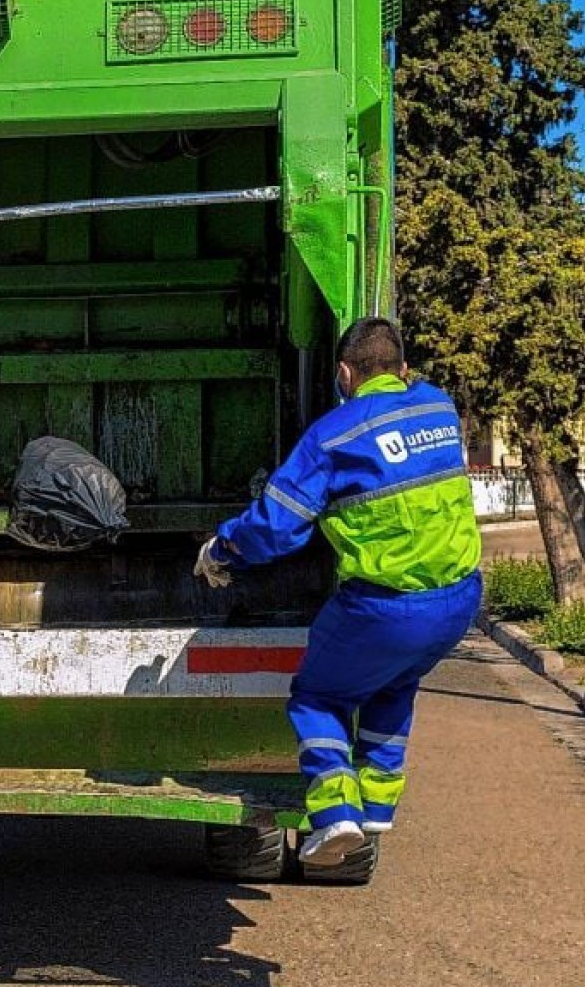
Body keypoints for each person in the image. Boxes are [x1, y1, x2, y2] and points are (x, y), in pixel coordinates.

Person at [194, 316, 481, 868]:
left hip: (385, 607)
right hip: (459, 601)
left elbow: (277, 527)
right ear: (404, 371)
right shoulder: (438, 407)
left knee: (319, 697)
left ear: (344, 373)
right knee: (394, 684)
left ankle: (334, 814)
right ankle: (376, 805)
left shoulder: (333, 436)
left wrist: (222, 550)